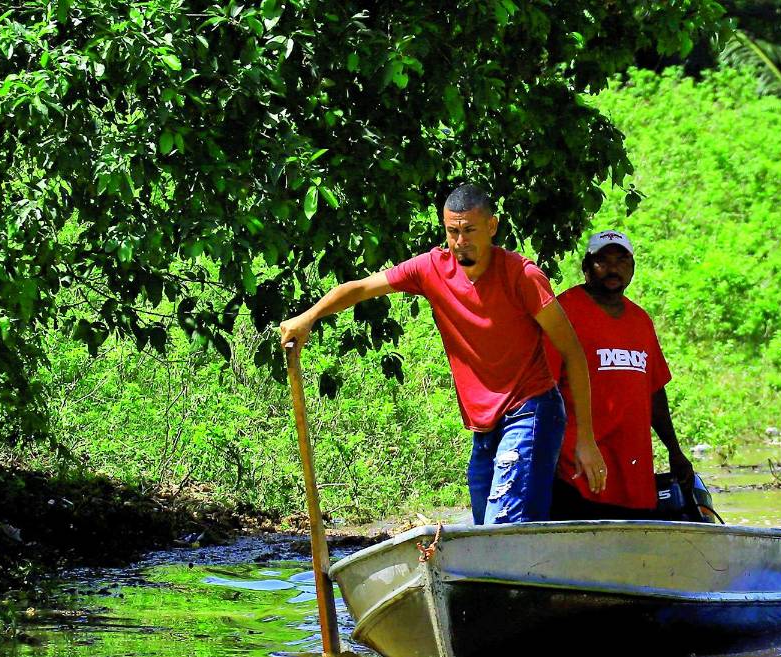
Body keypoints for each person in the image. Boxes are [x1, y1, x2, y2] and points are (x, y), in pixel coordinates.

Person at [278, 184, 607, 524]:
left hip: (531, 409)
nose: (461, 241)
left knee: (503, 525)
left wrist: (585, 439)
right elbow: (360, 288)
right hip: (484, 424)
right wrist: (308, 317)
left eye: (469, 231)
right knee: (484, 532)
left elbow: (572, 351)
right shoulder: (430, 268)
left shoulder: (522, 276)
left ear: (492, 227)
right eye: (453, 231)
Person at [546, 230, 694, 520]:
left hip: (632, 475)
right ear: (586, 267)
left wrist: (674, 451)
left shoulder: (641, 321)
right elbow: (544, 389)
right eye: (603, 260)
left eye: (622, 260)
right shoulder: (564, 312)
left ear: (633, 268)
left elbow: (654, 392)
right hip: (578, 471)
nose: (613, 268)